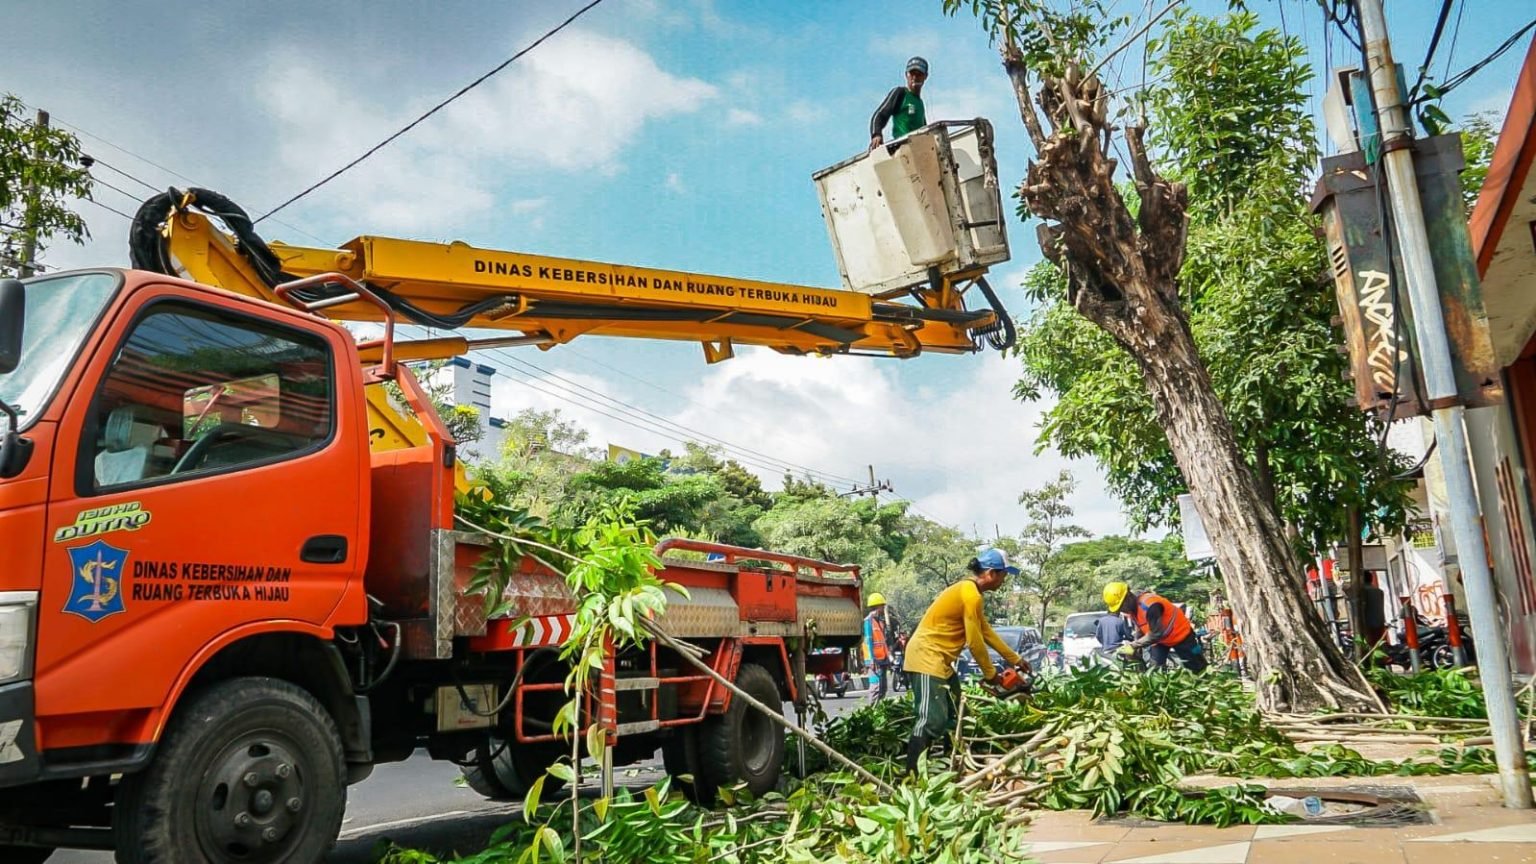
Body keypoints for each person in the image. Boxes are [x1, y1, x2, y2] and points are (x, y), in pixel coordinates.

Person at [902, 548, 1029, 773]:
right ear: (991, 573)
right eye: (1003, 575)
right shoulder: (970, 595)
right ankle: (912, 776)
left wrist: (1016, 659)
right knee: (931, 720)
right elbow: (974, 641)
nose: (1004, 580)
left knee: (957, 716)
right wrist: (991, 675)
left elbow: (986, 632)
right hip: (926, 657)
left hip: (941, 661)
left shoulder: (972, 593)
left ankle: (952, 768)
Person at [1103, 582, 1208, 673]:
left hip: (1182, 636)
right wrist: (1137, 645)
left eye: (1121, 606)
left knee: (1197, 667)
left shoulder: (1150, 605)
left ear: (1128, 596)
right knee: (1155, 671)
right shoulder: (1132, 610)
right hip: (1160, 641)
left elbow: (1156, 633)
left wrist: (1134, 645)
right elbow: (1140, 627)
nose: (1122, 610)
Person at [869, 56, 929, 151]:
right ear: (906, 75)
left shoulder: (919, 103)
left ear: (925, 76)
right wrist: (876, 134)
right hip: (902, 148)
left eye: (919, 74)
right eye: (912, 74)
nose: (915, 77)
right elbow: (880, 114)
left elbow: (924, 129)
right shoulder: (900, 93)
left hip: (918, 150)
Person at [863, 593, 898, 702]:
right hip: (874, 661)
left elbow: (883, 642)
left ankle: (879, 708)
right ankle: (872, 709)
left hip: (882, 660)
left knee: (883, 688)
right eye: (882, 606)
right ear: (877, 606)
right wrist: (871, 660)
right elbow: (867, 642)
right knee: (876, 688)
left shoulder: (880, 622)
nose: (883, 609)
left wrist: (889, 657)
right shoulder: (868, 622)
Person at [1360, 571, 1388, 658]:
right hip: (1379, 622)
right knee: (1378, 645)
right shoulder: (1379, 591)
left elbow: (1362, 607)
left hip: (1368, 623)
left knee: (1369, 647)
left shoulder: (1362, 592)